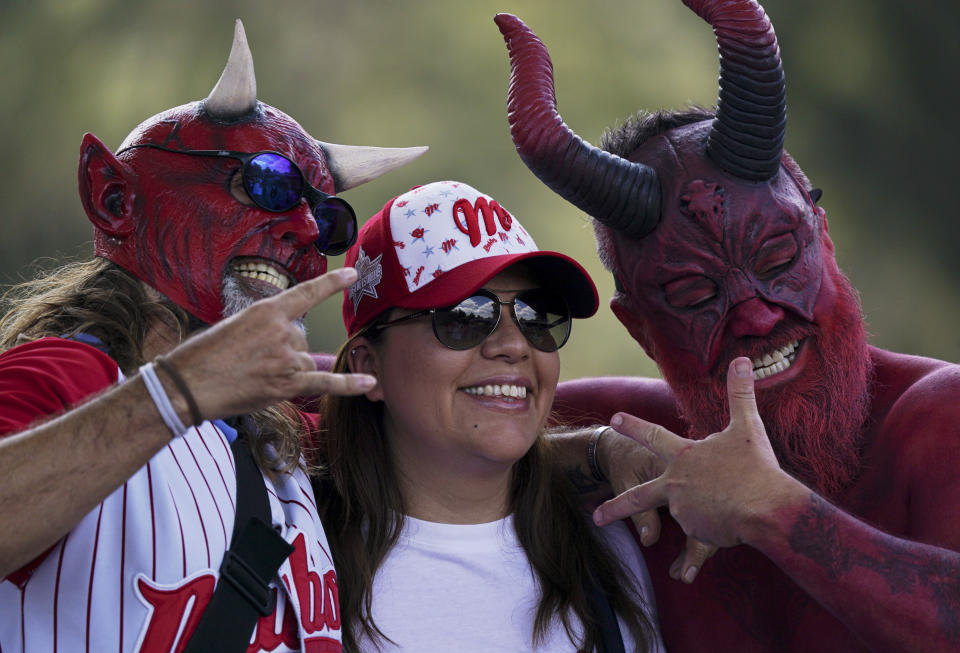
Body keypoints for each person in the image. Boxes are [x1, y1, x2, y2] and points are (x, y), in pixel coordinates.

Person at [494, 1, 960, 652]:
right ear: (639, 330)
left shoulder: (940, 419)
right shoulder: (639, 450)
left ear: (822, 242)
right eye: (691, 291)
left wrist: (776, 512)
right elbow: (377, 416)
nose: (757, 313)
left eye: (775, 257)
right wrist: (589, 453)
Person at [0, 20, 426, 652]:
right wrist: (179, 391)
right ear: (114, 197)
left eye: (328, 217)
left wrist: (599, 451)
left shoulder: (277, 436)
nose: (307, 229)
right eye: (268, 184)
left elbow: (451, 446)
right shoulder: (70, 374)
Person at [312, 180, 666, 652]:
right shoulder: (296, 555)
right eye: (464, 316)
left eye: (537, 314)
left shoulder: (613, 552)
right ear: (367, 366)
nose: (515, 345)